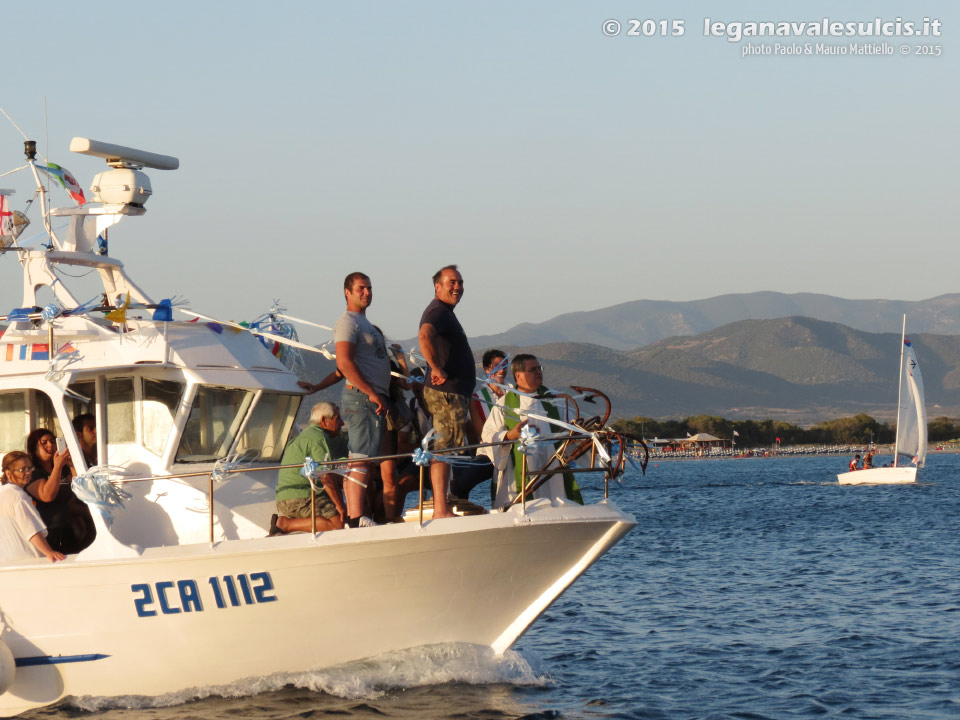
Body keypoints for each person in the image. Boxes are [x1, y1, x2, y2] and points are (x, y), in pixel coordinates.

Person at [482, 354, 584, 508]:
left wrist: (576, 436)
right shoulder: (505, 403)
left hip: (552, 465)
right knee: (523, 506)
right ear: (518, 375)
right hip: (519, 467)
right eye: (533, 369)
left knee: (558, 501)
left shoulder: (555, 400)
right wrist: (510, 435)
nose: (539, 372)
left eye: (539, 368)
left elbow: (573, 427)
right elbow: (488, 435)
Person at [418, 265, 475, 520]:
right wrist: (435, 367)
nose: (457, 287)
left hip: (455, 394)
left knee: (449, 447)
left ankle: (444, 502)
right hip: (446, 393)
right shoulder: (437, 311)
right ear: (437, 286)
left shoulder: (445, 313)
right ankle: (440, 510)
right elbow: (424, 335)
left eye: (460, 283)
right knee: (443, 447)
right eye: (452, 282)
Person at [334, 272, 390, 528]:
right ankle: (355, 517)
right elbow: (344, 362)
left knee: (362, 456)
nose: (366, 292)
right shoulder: (348, 323)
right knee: (360, 456)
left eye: (369, 288)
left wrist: (317, 386)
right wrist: (370, 391)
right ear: (348, 291)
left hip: (370, 397)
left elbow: (344, 367)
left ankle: (355, 515)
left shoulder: (363, 323)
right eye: (361, 288)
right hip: (361, 398)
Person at [272, 402, 348, 534]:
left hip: (285, 499)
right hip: (301, 497)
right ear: (324, 420)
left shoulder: (305, 435)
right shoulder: (319, 438)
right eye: (337, 418)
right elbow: (326, 476)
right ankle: (286, 524)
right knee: (338, 524)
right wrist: (340, 506)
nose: (342, 423)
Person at [25, 428, 96, 554]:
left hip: (69, 529)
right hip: (49, 532)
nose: (50, 445)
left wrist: (70, 465)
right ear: (33, 448)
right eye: (44, 442)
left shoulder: (63, 471)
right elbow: (47, 496)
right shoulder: (33, 473)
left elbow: (81, 489)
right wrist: (57, 466)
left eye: (53, 441)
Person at [0, 450, 65, 562]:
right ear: (9, 473)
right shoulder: (18, 496)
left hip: (7, 561)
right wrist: (49, 552)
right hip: (29, 560)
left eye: (29, 468)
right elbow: (31, 530)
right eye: (22, 470)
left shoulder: (3, 492)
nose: (28, 472)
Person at [468, 349, 508, 444]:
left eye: (504, 366)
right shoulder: (476, 399)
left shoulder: (515, 394)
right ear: (486, 369)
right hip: (492, 448)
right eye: (497, 366)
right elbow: (482, 433)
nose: (502, 370)